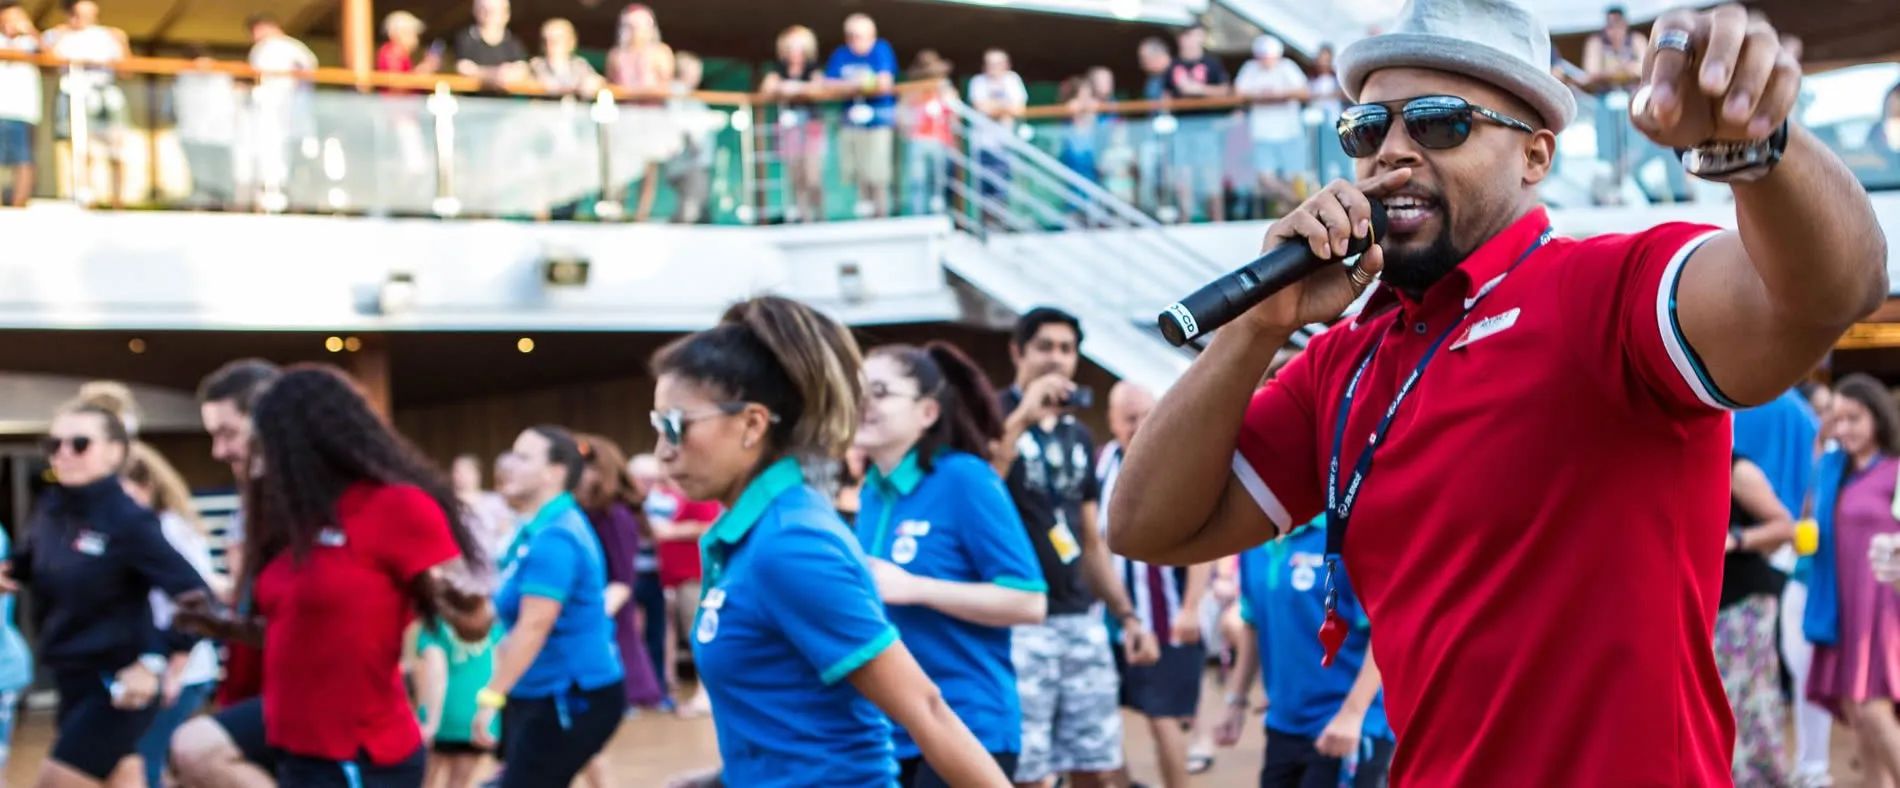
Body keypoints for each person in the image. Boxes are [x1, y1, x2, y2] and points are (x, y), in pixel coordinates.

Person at [1105, 0, 1887, 784]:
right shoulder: (1344, 365)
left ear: (1535, 156)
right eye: (1367, 129)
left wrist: (1759, 152)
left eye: (1441, 123)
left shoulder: (1608, 294)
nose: (1392, 154)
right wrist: (1256, 329)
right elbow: (1146, 527)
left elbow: (1831, 293)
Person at [653, 296, 1008, 788]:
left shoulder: (790, 545)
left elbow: (926, 710)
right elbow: (795, 715)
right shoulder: (754, 536)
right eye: (657, 426)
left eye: (676, 425)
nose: (662, 452)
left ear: (753, 423)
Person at [173, 365, 492, 788]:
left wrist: (467, 603)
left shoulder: (395, 507)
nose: (232, 452)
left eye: (262, 440)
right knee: (192, 749)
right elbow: (298, 630)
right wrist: (224, 626)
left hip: (360, 751)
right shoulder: (291, 520)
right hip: (295, 739)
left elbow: (473, 623)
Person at [853, 341, 1049, 786]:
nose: (864, 402)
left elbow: (1028, 601)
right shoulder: (871, 492)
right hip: (891, 731)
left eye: (881, 392)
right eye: (859, 390)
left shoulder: (964, 478)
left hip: (968, 724)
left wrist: (916, 587)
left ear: (927, 413)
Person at [3, 401, 210, 787]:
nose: (63, 453)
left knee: (56, 780)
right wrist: (9, 573)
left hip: (118, 686)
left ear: (115, 451)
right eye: (54, 444)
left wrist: (154, 661)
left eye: (79, 443)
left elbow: (199, 599)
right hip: (70, 677)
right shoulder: (51, 508)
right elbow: (27, 565)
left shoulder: (128, 519)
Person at [995, 307, 1156, 788]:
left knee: (1096, 764)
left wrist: (1126, 615)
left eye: (1067, 349)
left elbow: (1090, 540)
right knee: (1029, 770)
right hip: (1018, 620)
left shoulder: (1079, 434)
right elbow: (981, 484)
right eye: (1044, 346)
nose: (1056, 359)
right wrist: (1023, 417)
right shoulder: (993, 415)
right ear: (1017, 352)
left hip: (1079, 620)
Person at [469, 426, 625, 787]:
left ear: (554, 473)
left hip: (571, 696)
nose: (509, 464)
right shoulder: (534, 529)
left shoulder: (557, 535)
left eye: (523, 457)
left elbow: (534, 625)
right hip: (539, 692)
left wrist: (492, 695)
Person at [1220, 516, 1392, 787]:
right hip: (1284, 723)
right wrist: (1237, 700)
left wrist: (1352, 715)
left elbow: (1385, 635)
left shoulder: (1348, 535)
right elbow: (1252, 622)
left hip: (1347, 725)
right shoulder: (1252, 540)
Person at [1805, 374, 1900, 786]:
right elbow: (1806, 517)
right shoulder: (1834, 471)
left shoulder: (1896, 470)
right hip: (1842, 605)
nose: (1844, 428)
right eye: (1838, 419)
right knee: (1857, 716)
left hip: (1885, 605)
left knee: (1876, 712)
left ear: (1878, 416)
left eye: (1854, 418)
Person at [123, 442, 227, 788]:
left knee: (147, 761)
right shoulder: (149, 527)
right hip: (161, 665)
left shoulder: (169, 529)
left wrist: (173, 672)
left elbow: (196, 605)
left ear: (146, 486)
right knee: (158, 762)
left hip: (181, 669)